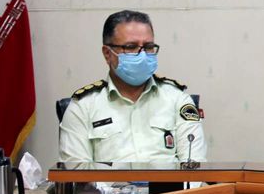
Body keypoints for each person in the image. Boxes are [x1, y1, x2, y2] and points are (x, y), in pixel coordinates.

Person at [59, 10, 206, 165]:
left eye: (148, 46)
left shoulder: (178, 100)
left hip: (170, 182)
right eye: (131, 47)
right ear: (107, 53)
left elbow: (194, 167)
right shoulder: (83, 107)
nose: (142, 55)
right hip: (108, 182)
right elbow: (76, 172)